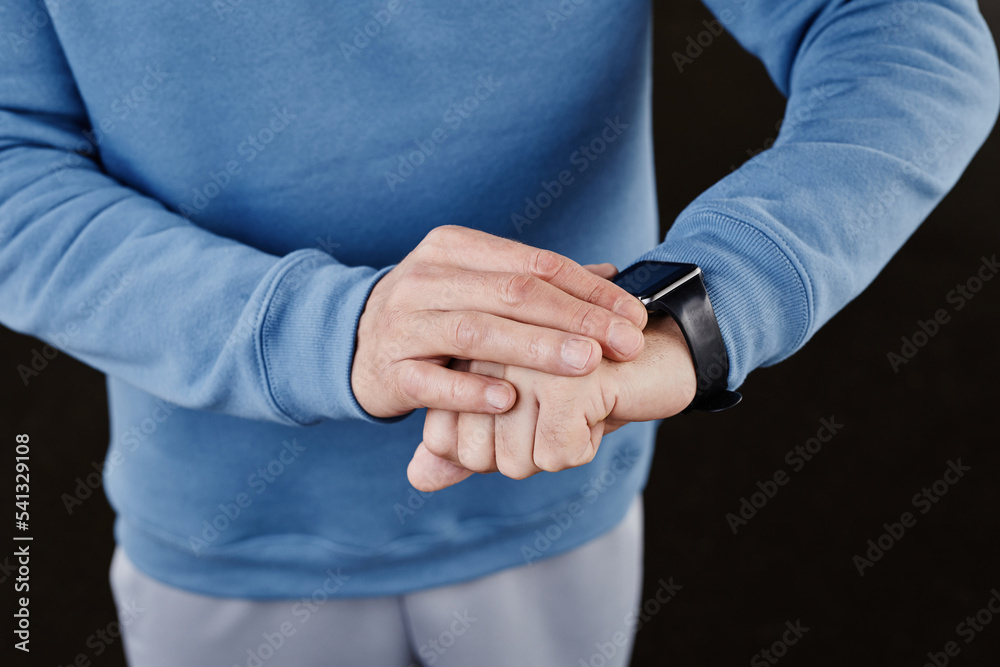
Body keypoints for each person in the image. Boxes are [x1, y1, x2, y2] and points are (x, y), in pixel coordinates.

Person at [0, 0, 996, 664]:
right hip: (223, 529)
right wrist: (333, 330)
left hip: (559, 475)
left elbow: (896, 27)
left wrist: (692, 311)